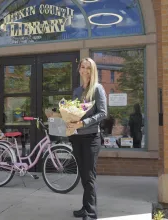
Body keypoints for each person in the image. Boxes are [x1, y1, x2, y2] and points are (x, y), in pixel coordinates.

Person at [67, 58, 107, 220]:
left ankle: (91, 212)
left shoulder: (97, 89)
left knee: (89, 176)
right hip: (77, 138)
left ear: (93, 70)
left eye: (88, 68)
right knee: (84, 175)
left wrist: (83, 122)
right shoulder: (77, 91)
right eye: (82, 67)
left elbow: (103, 113)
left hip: (91, 138)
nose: (85, 70)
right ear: (79, 69)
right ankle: (85, 207)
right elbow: (73, 111)